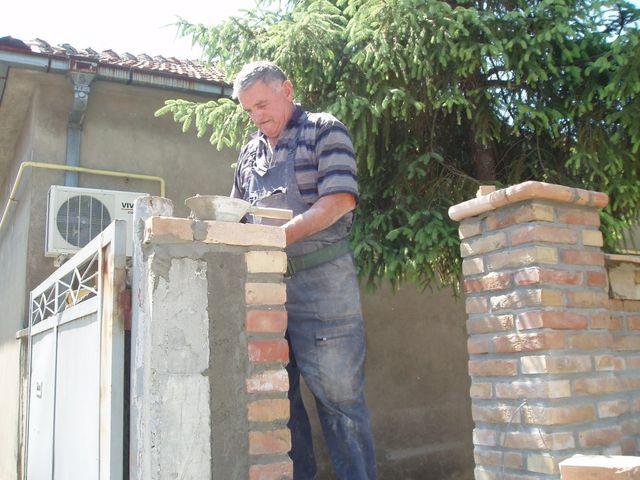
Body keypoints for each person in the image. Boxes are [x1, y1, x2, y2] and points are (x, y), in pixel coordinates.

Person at [230, 61, 376, 480]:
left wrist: (279, 238)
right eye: (249, 110)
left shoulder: (324, 130)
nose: (257, 117)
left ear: (287, 90)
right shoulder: (249, 152)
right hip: (267, 291)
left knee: (340, 401)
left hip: (324, 284)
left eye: (262, 105)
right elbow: (236, 213)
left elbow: (340, 199)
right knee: (280, 403)